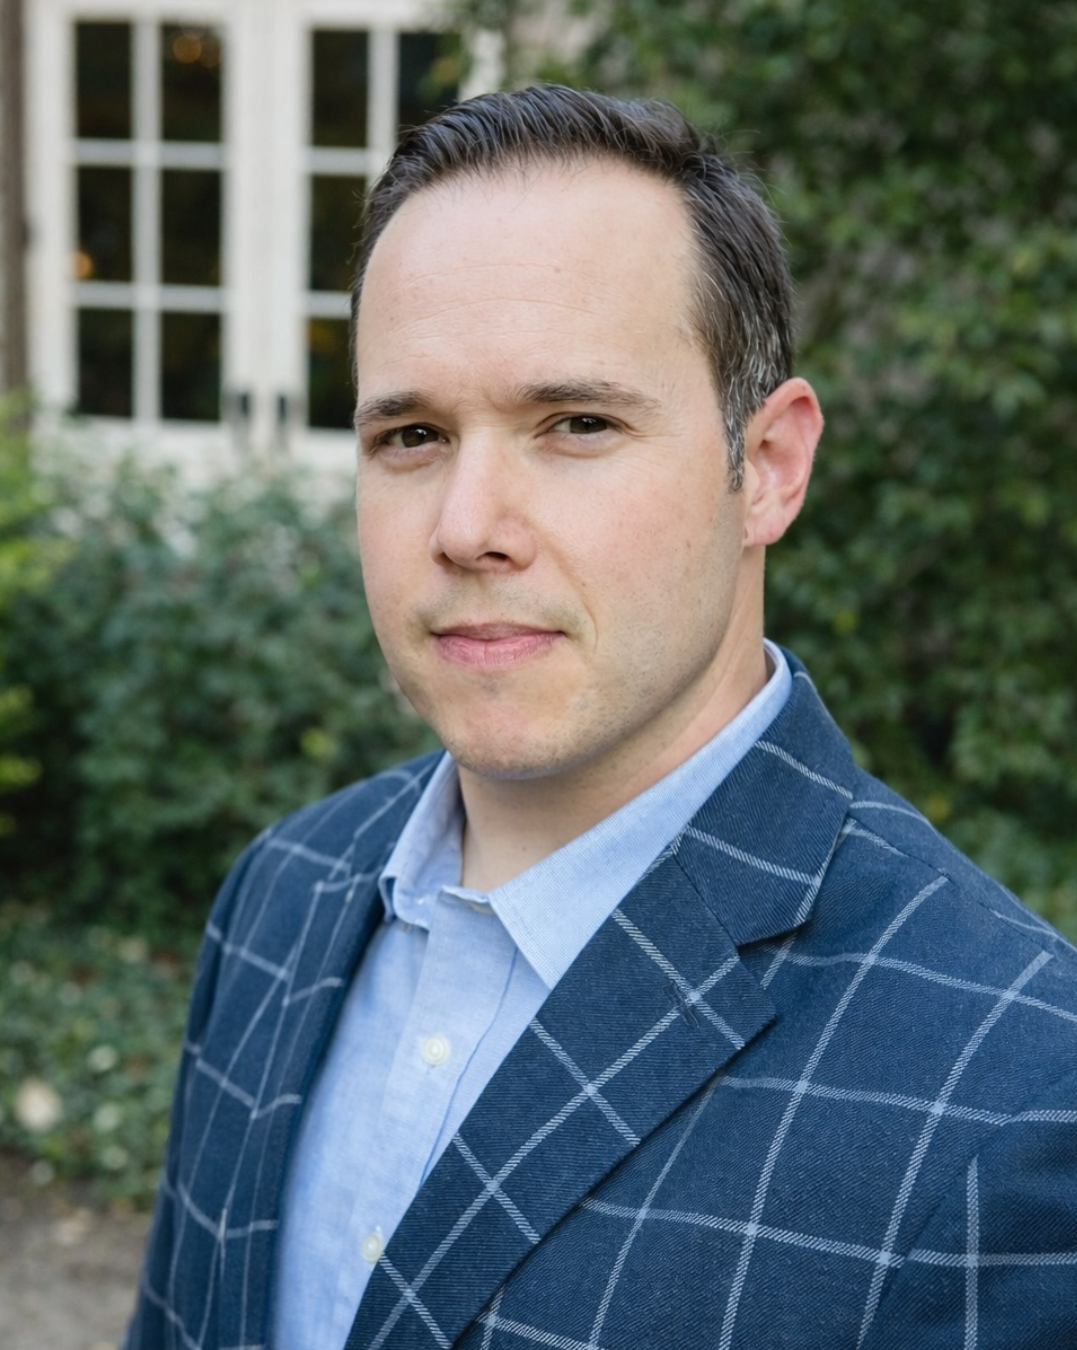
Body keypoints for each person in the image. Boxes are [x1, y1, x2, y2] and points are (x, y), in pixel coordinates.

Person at [125, 86, 1077, 1350]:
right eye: (410, 433)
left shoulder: (1014, 1096)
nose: (466, 525)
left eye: (575, 424)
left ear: (769, 469)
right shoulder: (277, 899)